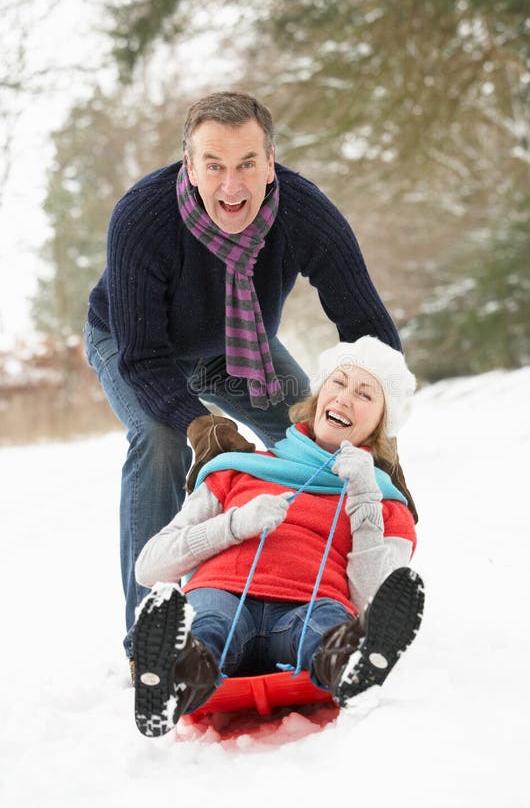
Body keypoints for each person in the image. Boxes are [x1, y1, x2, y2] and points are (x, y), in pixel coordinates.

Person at [85, 91, 404, 661]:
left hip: (236, 347)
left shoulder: (303, 213)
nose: (232, 186)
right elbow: (142, 359)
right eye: (214, 166)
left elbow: (366, 329)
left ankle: (316, 603)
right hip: (136, 344)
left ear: (271, 161)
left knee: (319, 431)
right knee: (159, 440)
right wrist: (196, 423)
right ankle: (150, 637)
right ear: (189, 165)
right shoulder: (142, 219)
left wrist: (379, 427)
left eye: (246, 164)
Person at [131, 336, 425, 738]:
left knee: (327, 630)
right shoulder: (237, 471)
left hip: (312, 609)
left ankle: (351, 668)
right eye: (337, 384)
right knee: (209, 623)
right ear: (319, 395)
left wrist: (365, 501)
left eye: (364, 394)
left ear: (380, 423)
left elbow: (371, 599)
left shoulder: (387, 506)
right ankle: (176, 675)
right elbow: (150, 566)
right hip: (222, 593)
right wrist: (234, 525)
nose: (344, 399)